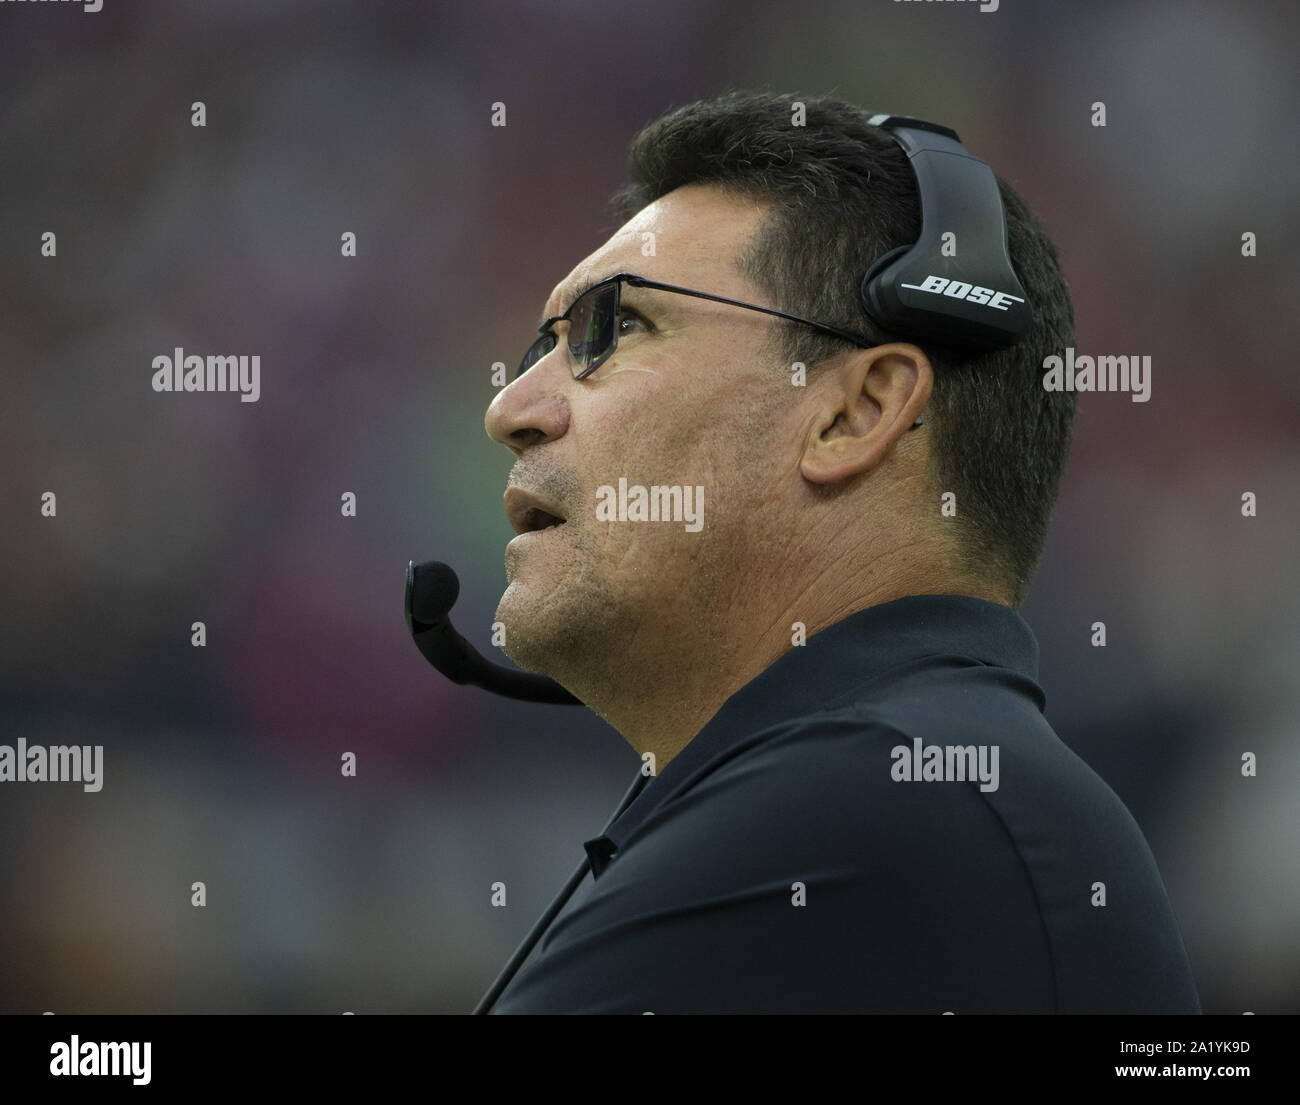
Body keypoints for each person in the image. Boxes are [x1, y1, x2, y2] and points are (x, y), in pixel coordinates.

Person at [481, 90, 1200, 1014]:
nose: (510, 410)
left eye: (611, 328)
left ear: (855, 412)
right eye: (540, 344)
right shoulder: (932, 787)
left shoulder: (866, 811)